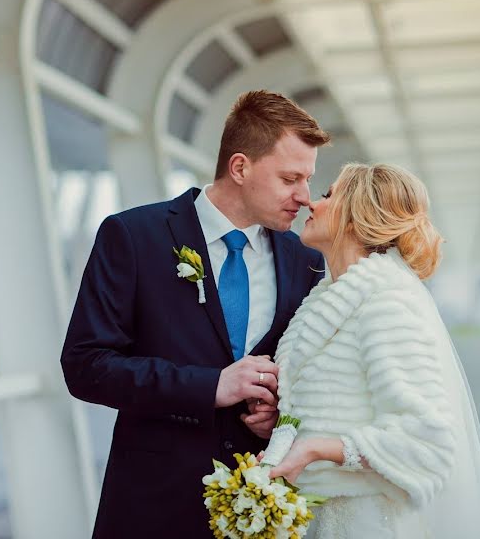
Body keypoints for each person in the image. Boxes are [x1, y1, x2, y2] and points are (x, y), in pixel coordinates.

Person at [61, 90, 329, 538]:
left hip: (259, 514)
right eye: (290, 178)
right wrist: (210, 386)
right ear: (240, 167)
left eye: (308, 179)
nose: (304, 197)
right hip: (151, 508)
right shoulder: (132, 236)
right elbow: (86, 366)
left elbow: (305, 373)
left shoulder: (304, 261)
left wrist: (278, 413)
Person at [247, 163, 480, 538]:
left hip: (364, 524)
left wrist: (314, 449)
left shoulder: (387, 303)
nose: (310, 204)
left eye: (327, 195)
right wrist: (282, 425)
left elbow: (426, 440)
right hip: (314, 518)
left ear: (356, 218)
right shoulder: (324, 301)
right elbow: (334, 409)